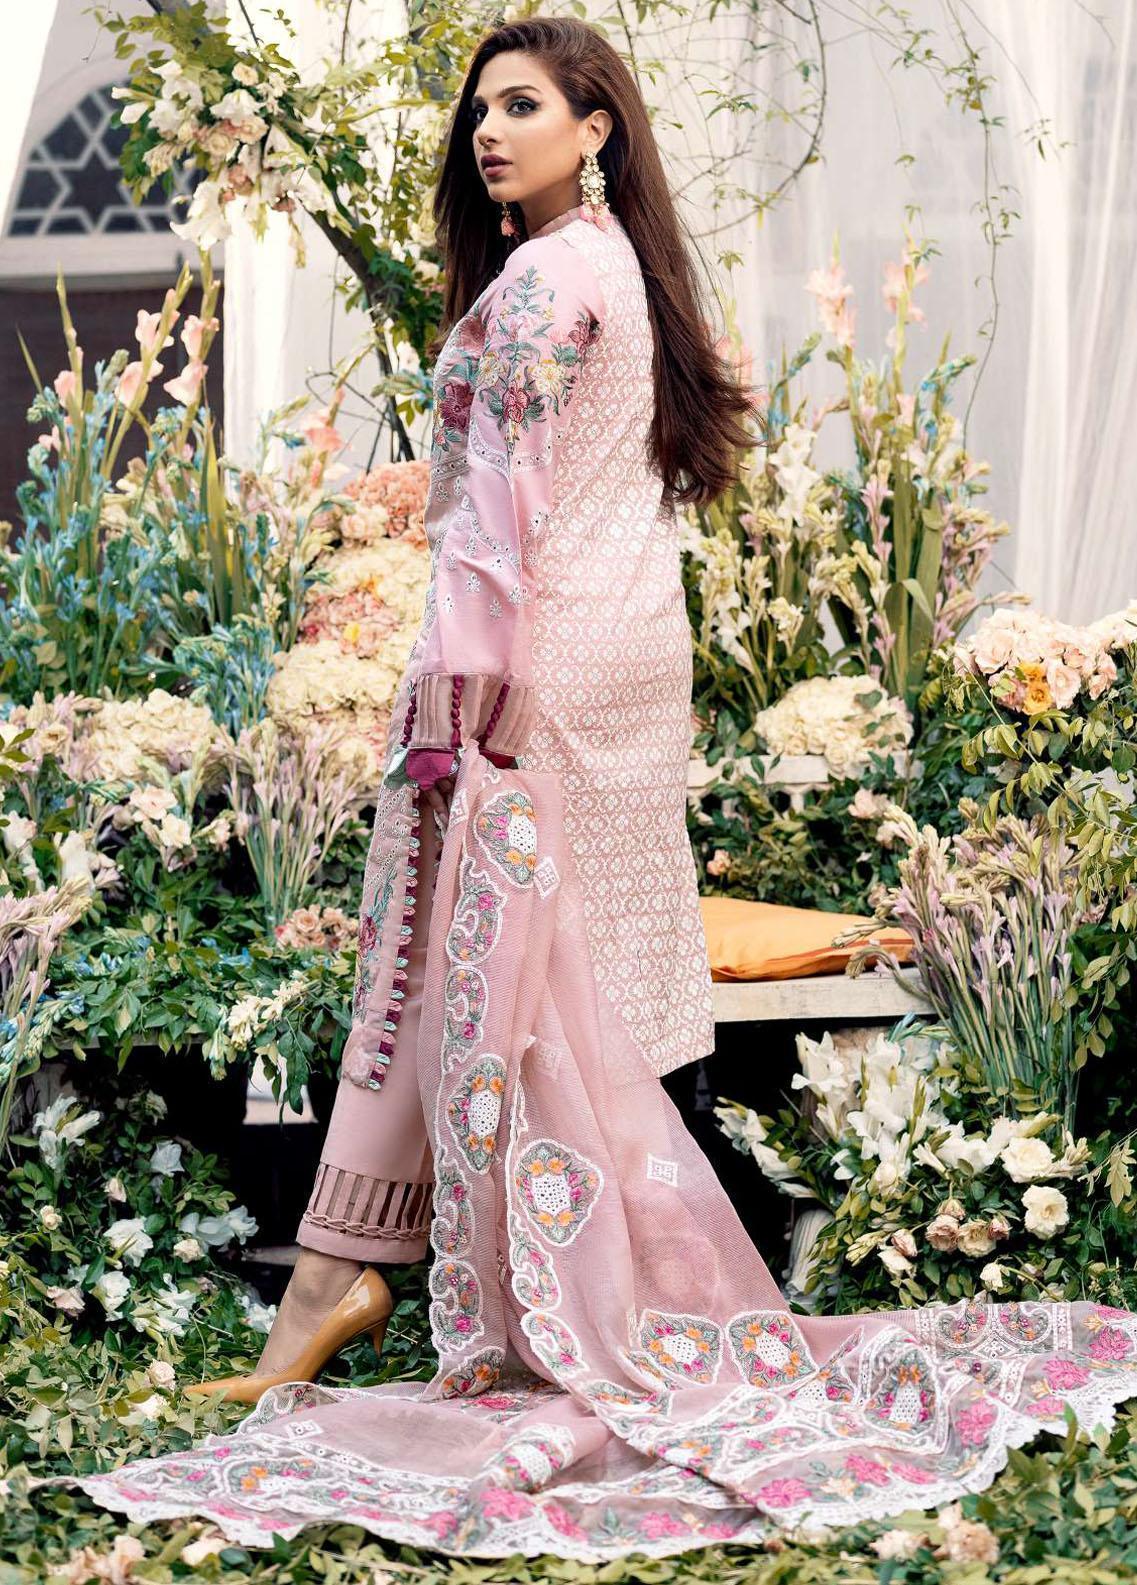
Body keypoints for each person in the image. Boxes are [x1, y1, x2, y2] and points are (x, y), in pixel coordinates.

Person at [65, 14, 1137, 1563]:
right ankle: (368, 1276)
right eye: (477, 112)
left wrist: (458, 696)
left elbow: (496, 511)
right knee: (573, 988)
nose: (488, 132)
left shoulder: (536, 284)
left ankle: (400, 1282)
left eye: (521, 105)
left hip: (528, 671)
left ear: (596, 129)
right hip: (625, 665)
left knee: (470, 978)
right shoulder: (628, 273)